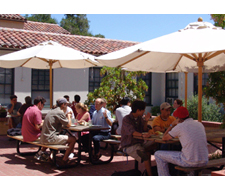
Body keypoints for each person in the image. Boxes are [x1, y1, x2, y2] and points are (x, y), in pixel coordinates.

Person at [154, 107, 208, 176]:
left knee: (158, 154)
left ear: (178, 118)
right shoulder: (199, 124)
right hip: (204, 160)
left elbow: (164, 137)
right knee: (191, 155)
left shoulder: (180, 126)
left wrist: (171, 125)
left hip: (189, 161)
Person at [121, 99, 155, 176]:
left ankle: (151, 171)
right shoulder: (127, 119)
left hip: (140, 142)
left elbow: (144, 129)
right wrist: (143, 135)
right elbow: (132, 132)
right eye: (143, 110)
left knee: (154, 145)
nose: (144, 111)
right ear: (138, 110)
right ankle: (150, 174)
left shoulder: (139, 118)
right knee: (145, 156)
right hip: (129, 145)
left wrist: (146, 121)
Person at [40, 97, 76, 166]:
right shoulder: (59, 112)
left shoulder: (52, 111)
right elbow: (68, 124)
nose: (67, 106)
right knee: (73, 139)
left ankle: (50, 156)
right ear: (63, 105)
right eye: (66, 104)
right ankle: (65, 160)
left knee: (63, 135)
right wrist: (69, 115)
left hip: (44, 137)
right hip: (50, 138)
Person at [21, 96, 47, 161]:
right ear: (39, 103)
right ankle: (43, 154)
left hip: (25, 134)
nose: (43, 106)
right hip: (32, 135)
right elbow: (37, 126)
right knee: (51, 136)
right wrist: (46, 122)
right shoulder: (37, 111)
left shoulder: (29, 108)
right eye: (43, 104)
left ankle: (42, 153)